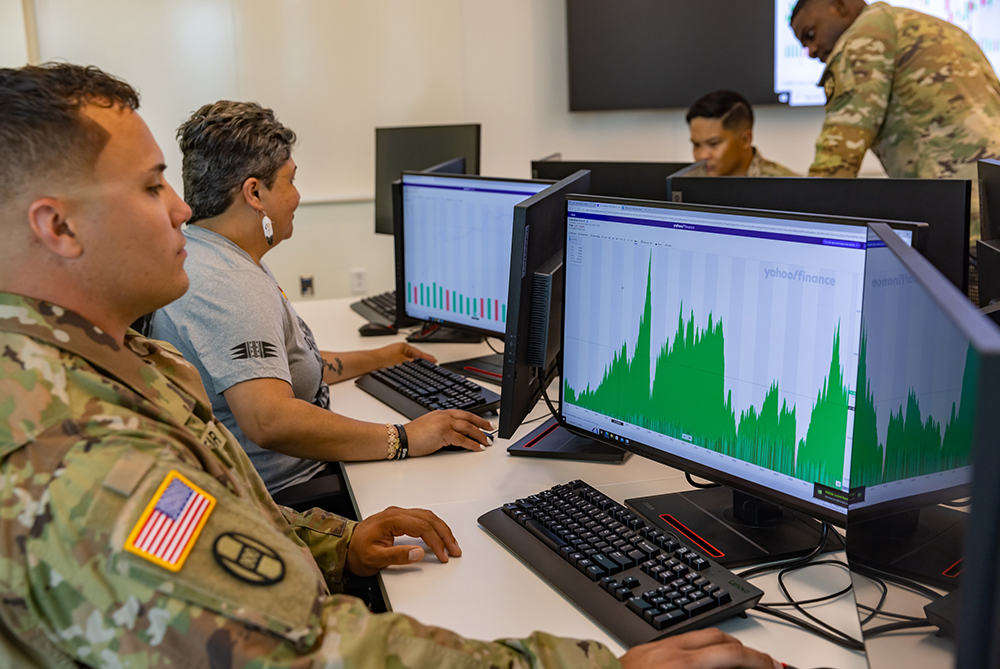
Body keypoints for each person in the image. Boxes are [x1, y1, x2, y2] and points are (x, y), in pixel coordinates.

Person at [0, 63, 783, 669]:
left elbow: (219, 520)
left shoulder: (109, 360)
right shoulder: (77, 457)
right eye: (150, 187)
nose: (178, 207)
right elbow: (306, 652)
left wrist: (336, 542)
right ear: (58, 225)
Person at [148, 100, 491, 495]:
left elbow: (282, 369)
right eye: (290, 181)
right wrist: (404, 438)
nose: (296, 197)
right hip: (289, 496)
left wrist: (381, 358)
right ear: (255, 193)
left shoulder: (211, 251)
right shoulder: (230, 285)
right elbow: (271, 419)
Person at [790, 0, 1000, 238]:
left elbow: (838, 159)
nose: (811, 51)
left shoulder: (865, 35)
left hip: (965, 221)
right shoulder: (941, 29)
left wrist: (802, 231)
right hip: (991, 205)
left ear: (839, 6)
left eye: (810, 34)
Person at [685, 90, 797, 177]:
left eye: (713, 144)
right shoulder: (685, 184)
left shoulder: (787, 187)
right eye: (696, 145)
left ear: (745, 140)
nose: (702, 155)